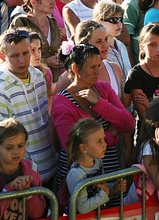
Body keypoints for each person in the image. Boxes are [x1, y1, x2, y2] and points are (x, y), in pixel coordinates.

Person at [52, 43, 134, 207]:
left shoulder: (103, 89)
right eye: (92, 67)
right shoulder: (62, 102)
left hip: (110, 172)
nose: (98, 71)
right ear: (75, 69)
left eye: (99, 65)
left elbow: (127, 123)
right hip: (81, 178)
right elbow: (72, 146)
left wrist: (99, 102)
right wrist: (110, 134)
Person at [0, 29, 56, 183]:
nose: (22, 60)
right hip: (23, 177)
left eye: (25, 53)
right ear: (2, 57)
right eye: (15, 56)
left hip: (50, 164)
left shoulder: (39, 77)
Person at [0, 119, 47, 220]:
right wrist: (7, 191)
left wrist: (28, 194)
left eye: (20, 146)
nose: (16, 152)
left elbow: (38, 213)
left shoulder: (31, 170)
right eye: (9, 148)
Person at [65, 118, 128, 214]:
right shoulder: (76, 174)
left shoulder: (97, 161)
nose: (105, 144)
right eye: (99, 141)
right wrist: (105, 194)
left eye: (104, 139)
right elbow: (82, 208)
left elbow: (101, 188)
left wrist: (114, 189)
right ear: (84, 148)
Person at [11, 0, 62, 80]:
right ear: (33, 1)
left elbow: (58, 50)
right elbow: (14, 53)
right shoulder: (21, 23)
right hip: (30, 79)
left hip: (54, 79)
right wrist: (45, 61)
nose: (53, 2)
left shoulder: (53, 23)